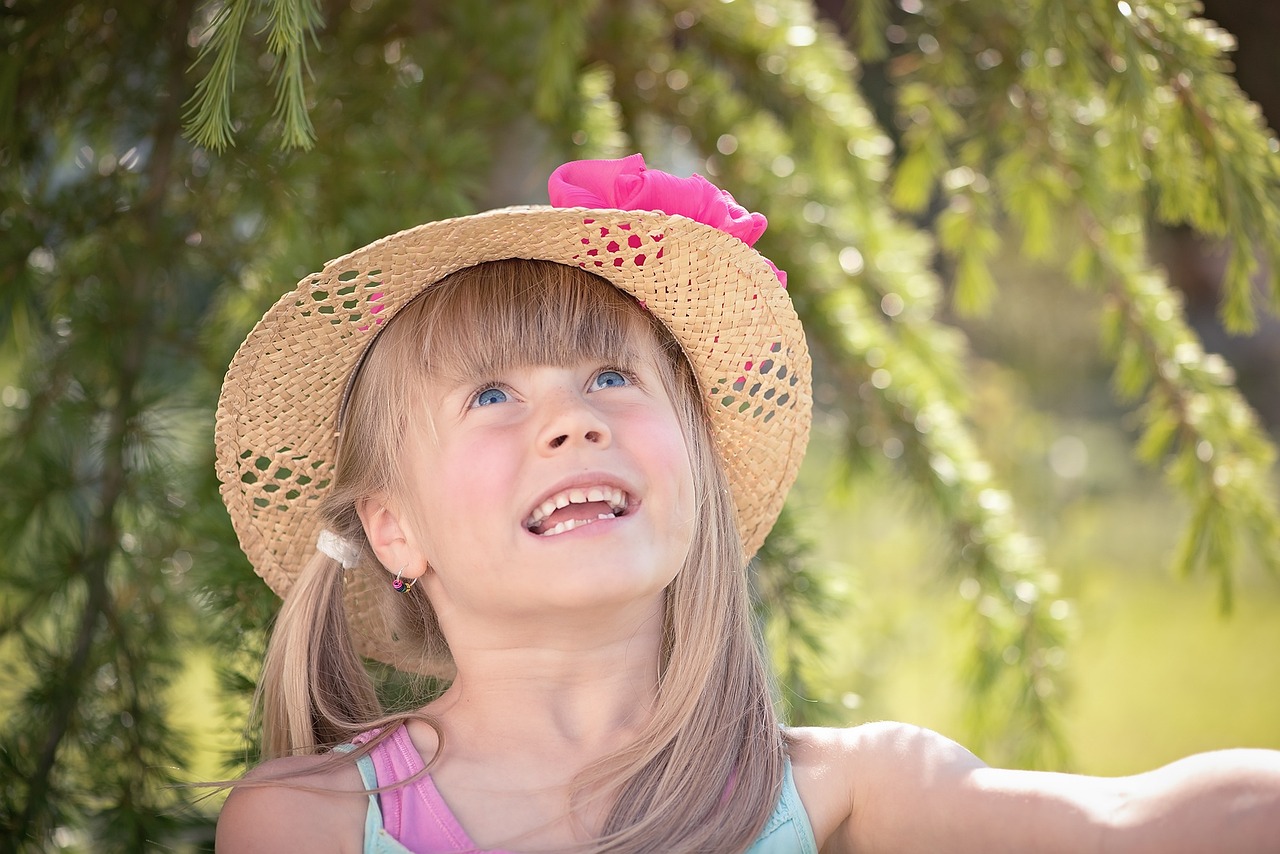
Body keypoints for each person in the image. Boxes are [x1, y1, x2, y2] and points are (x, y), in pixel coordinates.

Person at [213, 154, 1279, 853]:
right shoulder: (306, 824)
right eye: (491, 394)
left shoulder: (838, 791)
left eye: (613, 379)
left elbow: (1138, 819)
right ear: (392, 527)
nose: (574, 422)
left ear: (695, 467)